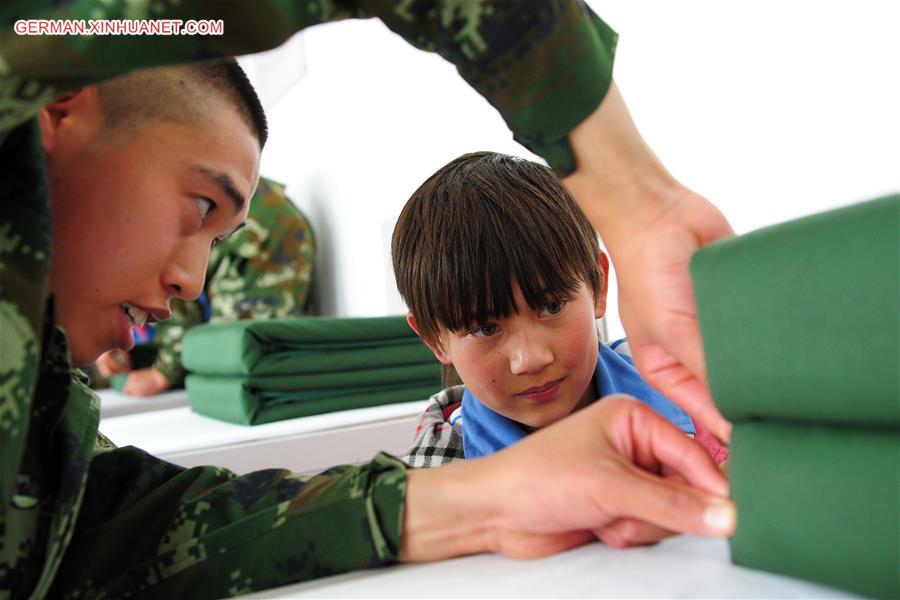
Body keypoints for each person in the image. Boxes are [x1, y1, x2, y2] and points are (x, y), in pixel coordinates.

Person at [0, 4, 735, 598]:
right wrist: (638, 201)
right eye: (199, 205)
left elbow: (108, 529)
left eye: (221, 238)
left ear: (596, 282)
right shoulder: (44, 36)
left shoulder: (38, 423)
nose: (192, 284)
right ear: (59, 107)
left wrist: (484, 503)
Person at [396, 151, 729, 472]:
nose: (531, 359)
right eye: (484, 328)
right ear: (436, 340)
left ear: (597, 284)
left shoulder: (684, 376)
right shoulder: (438, 472)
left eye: (551, 306)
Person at [93, 177, 316, 396]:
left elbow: (171, 296)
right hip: (252, 216)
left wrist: (162, 375)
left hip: (260, 231)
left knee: (244, 362)